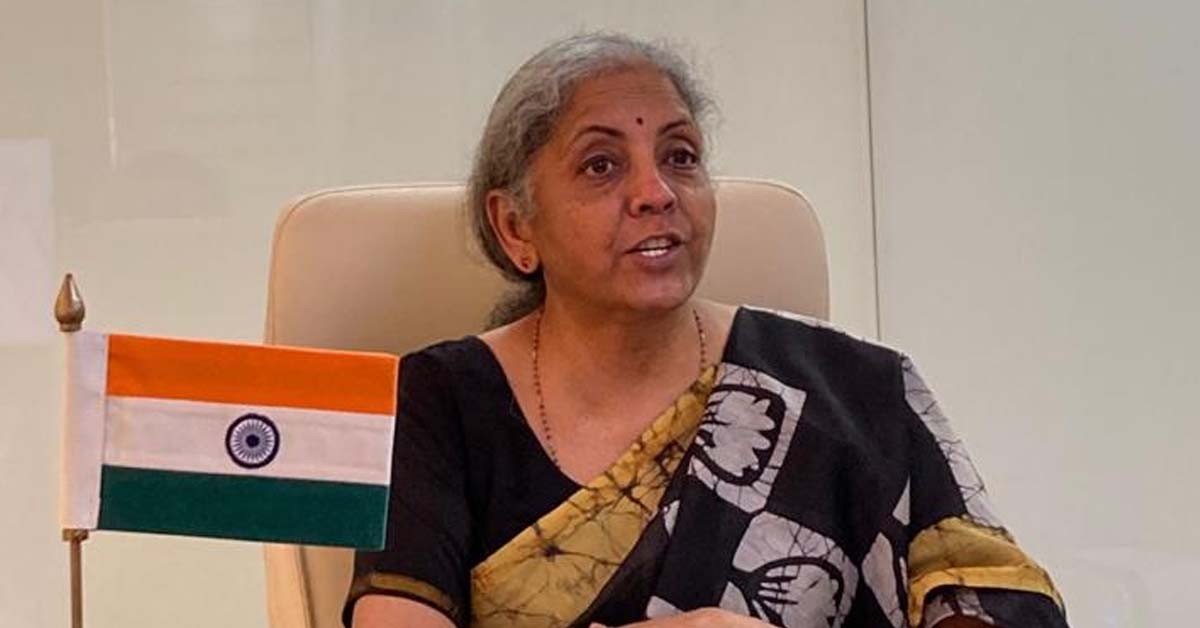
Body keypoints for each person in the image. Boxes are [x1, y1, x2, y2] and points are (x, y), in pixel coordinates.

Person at [344, 33, 1067, 628]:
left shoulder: (861, 392)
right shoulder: (434, 403)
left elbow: (998, 605)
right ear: (515, 228)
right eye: (601, 165)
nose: (656, 193)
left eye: (681, 157)